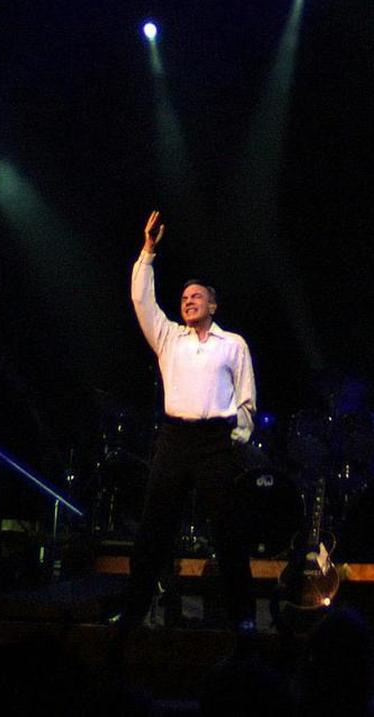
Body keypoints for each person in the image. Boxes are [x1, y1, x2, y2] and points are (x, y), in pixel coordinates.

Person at [116, 210, 258, 635]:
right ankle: (133, 614)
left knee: (229, 535)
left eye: (197, 296)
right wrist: (148, 252)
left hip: (215, 443)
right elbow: (142, 299)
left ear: (213, 305)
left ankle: (244, 618)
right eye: (184, 297)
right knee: (154, 530)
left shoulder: (233, 345)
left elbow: (247, 401)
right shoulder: (168, 338)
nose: (189, 300)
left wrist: (238, 435)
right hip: (175, 440)